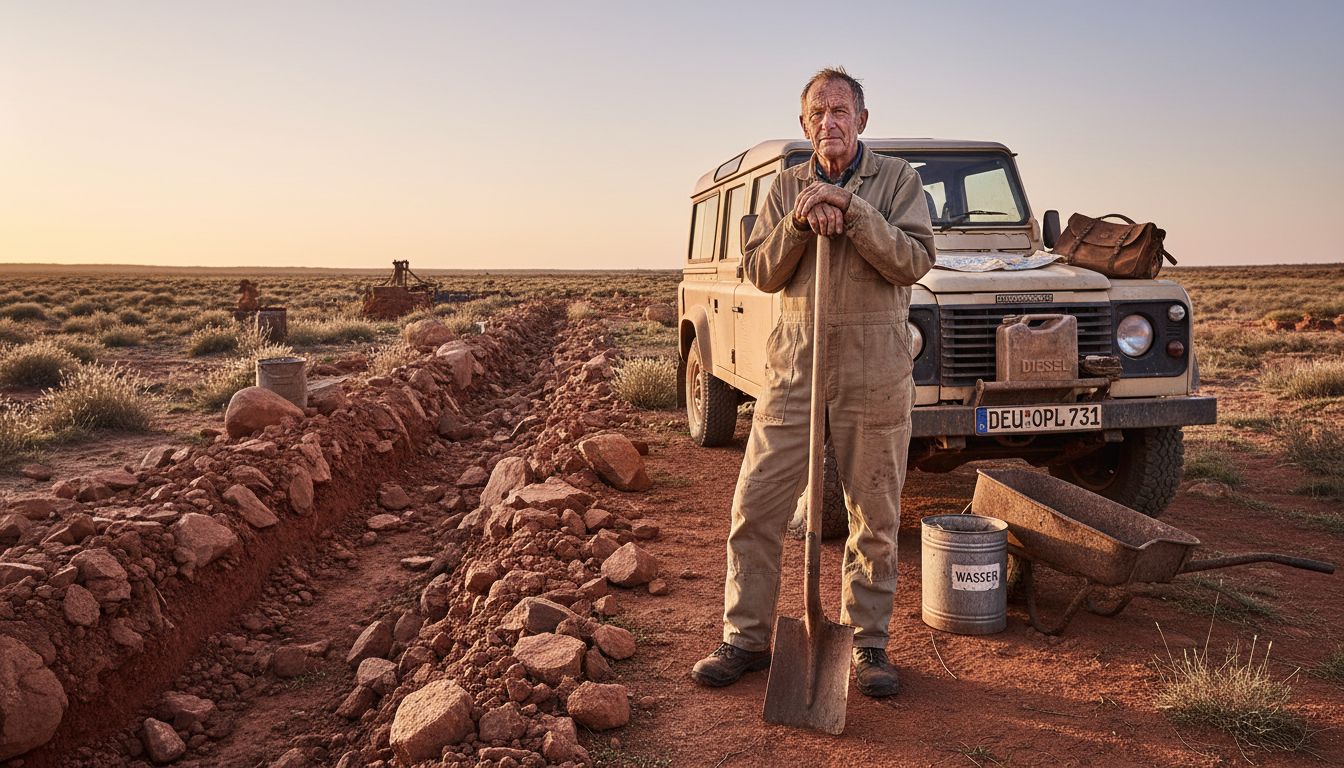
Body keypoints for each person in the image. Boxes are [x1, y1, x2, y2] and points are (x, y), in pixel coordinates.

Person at [690, 67, 935, 697]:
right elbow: (761, 272)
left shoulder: (899, 182)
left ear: (862, 119)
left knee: (873, 512)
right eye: (817, 113)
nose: (829, 122)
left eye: (841, 111)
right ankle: (745, 638)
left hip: (873, 366)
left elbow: (914, 259)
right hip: (795, 364)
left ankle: (868, 643)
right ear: (804, 125)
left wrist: (854, 213)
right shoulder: (784, 188)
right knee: (756, 505)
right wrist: (799, 224)